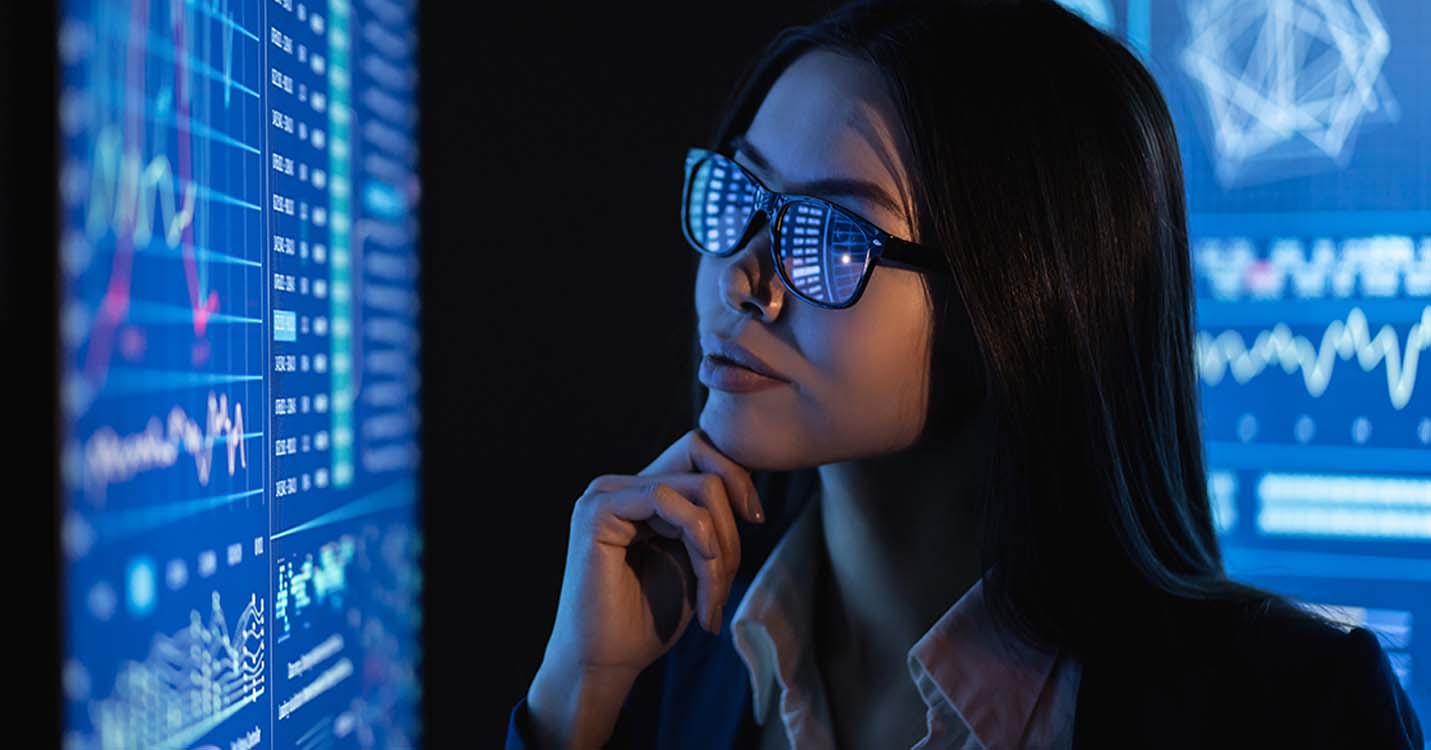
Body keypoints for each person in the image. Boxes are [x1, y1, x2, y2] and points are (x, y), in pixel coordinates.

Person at [506, 0, 1426, 747]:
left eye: (830, 238)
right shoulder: (667, 649)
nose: (743, 280)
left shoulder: (1291, 712)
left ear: (1020, 301)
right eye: (739, 196)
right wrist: (574, 698)